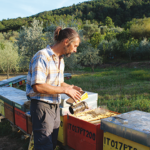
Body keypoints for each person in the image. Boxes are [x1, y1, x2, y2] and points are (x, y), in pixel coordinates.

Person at [26, 26, 82, 150]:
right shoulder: (42, 56)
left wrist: (70, 87)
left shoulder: (60, 60)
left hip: (55, 106)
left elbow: (58, 82)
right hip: (42, 107)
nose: (75, 50)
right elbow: (38, 86)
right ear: (66, 42)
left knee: (51, 144)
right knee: (44, 146)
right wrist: (66, 90)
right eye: (75, 46)